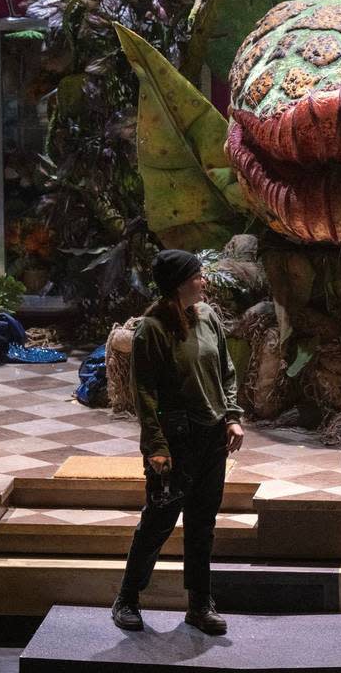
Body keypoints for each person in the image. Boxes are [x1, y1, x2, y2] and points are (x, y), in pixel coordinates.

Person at [111, 249, 246, 634]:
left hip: (211, 437)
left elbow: (226, 370)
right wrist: (155, 445)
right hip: (174, 442)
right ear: (181, 282)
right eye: (198, 275)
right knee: (158, 521)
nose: (204, 281)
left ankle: (200, 605)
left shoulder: (208, 317)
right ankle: (127, 598)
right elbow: (145, 392)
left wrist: (232, 416)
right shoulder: (151, 328)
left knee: (202, 523)